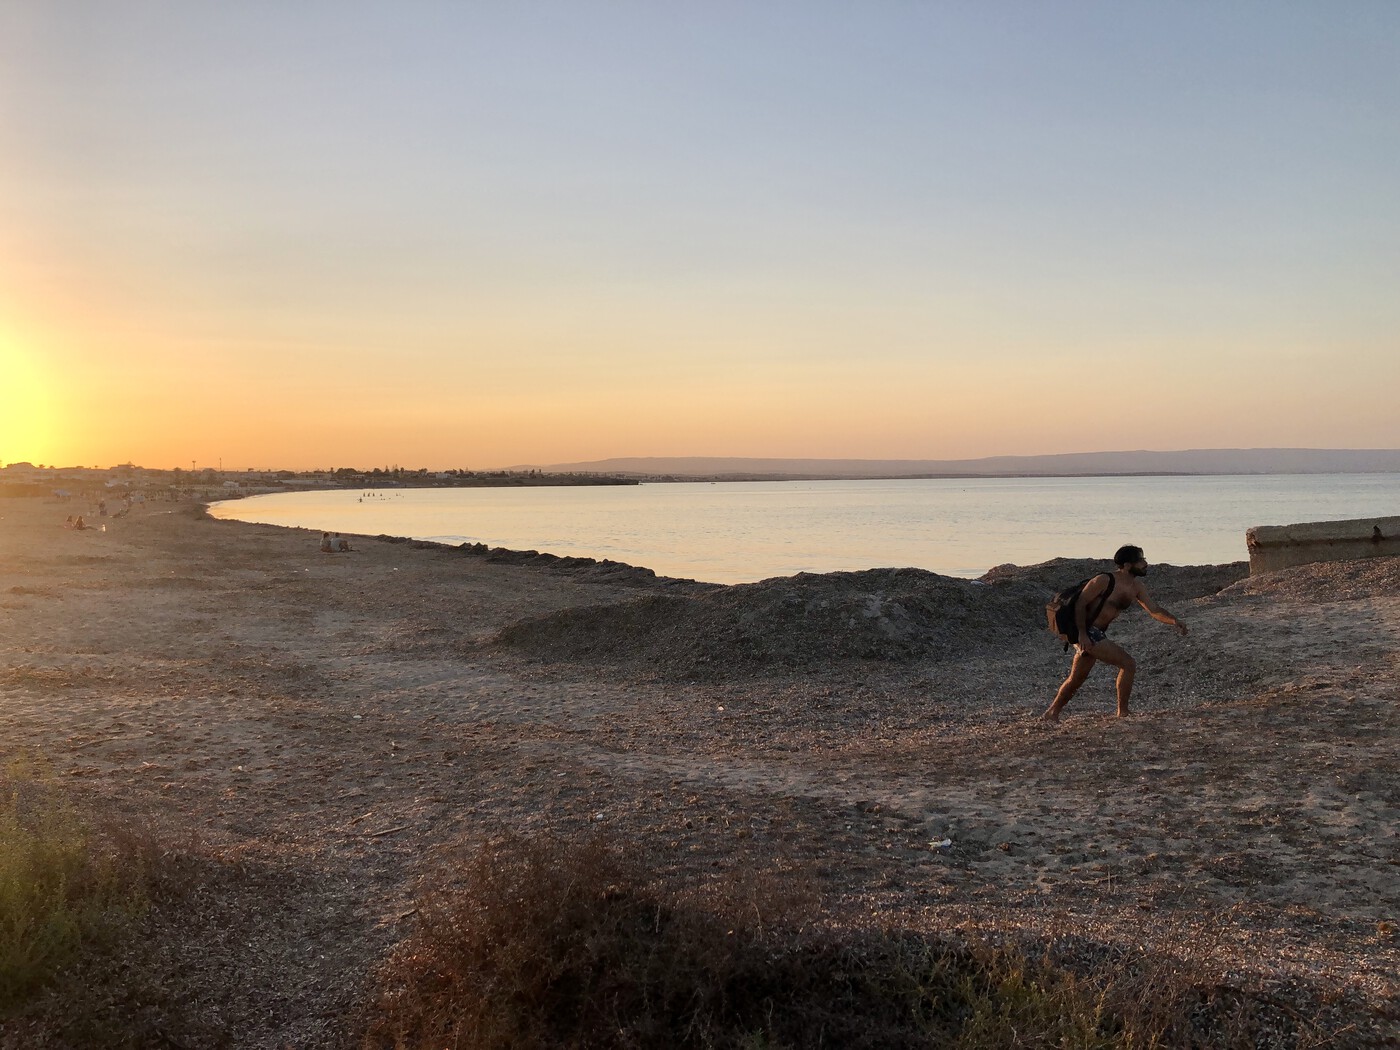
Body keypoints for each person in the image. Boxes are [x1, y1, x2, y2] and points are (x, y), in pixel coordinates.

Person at [1043, 545, 1188, 721]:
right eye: (1141, 560)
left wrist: (1174, 621)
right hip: (1087, 630)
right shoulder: (1104, 580)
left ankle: (1051, 713)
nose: (1145, 563)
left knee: (1076, 679)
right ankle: (1123, 712)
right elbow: (1080, 603)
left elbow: (1154, 609)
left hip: (1097, 633)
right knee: (1128, 664)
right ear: (1127, 565)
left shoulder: (1136, 586)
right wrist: (1081, 634)